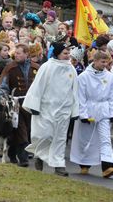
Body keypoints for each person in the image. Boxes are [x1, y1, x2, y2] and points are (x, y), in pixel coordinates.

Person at [23, 42, 79, 176]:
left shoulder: (71, 69)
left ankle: (59, 165)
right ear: (57, 53)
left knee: (60, 138)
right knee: (45, 135)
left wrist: (75, 110)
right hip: (46, 108)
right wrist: (33, 105)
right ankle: (39, 155)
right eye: (65, 53)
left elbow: (75, 90)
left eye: (68, 54)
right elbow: (38, 86)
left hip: (63, 110)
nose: (68, 56)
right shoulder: (47, 67)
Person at [70, 50, 113, 178]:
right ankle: (84, 164)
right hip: (89, 109)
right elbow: (80, 97)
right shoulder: (84, 77)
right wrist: (83, 114)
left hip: (103, 110)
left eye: (106, 62)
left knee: (105, 139)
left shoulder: (109, 77)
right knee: (86, 138)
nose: (105, 64)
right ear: (95, 61)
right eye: (102, 62)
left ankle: (107, 166)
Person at [0, 43, 40, 167]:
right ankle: (23, 158)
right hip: (15, 103)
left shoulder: (36, 68)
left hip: (31, 104)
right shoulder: (10, 67)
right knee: (21, 129)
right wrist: (4, 99)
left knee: (28, 129)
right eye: (15, 53)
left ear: (26, 54)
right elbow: (2, 86)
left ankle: (12, 152)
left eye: (19, 53)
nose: (16, 55)